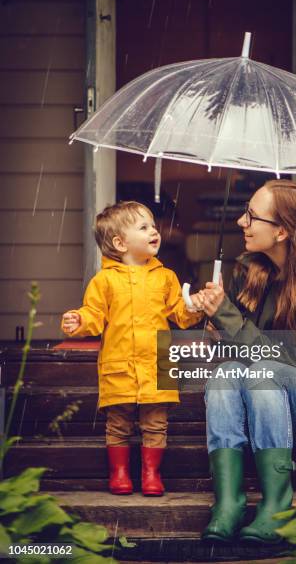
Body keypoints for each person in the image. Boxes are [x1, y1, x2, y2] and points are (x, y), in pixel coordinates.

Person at [197, 180, 296, 544]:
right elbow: (241, 348)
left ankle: (276, 505)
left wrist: (229, 319)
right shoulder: (253, 269)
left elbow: (292, 361)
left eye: (252, 215)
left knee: (263, 372)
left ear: (282, 231)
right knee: (224, 374)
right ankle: (228, 503)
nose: (241, 221)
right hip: (260, 398)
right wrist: (214, 320)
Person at [61, 201, 203, 496]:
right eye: (144, 227)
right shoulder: (104, 281)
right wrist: (79, 320)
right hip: (119, 362)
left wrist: (195, 306)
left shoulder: (166, 277)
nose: (154, 231)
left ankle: (151, 474)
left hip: (157, 360)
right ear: (119, 242)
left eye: (153, 225)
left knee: (156, 422)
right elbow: (94, 315)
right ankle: (120, 473)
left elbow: (181, 315)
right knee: (118, 423)